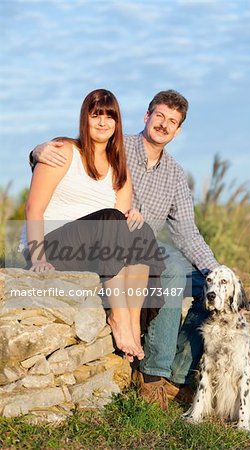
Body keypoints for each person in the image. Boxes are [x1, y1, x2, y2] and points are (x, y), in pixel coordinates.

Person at [30, 89, 220, 410]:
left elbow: (187, 232)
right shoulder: (120, 148)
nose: (163, 124)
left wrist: (217, 272)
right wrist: (36, 151)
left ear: (178, 130)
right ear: (146, 117)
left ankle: (176, 377)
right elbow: (63, 167)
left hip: (136, 243)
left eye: (172, 121)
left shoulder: (174, 174)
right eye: (159, 116)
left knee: (208, 288)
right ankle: (151, 376)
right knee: (170, 266)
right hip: (96, 240)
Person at [24, 88, 166, 363]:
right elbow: (34, 208)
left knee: (140, 230)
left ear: (117, 123)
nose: (103, 123)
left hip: (95, 250)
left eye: (109, 117)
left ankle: (133, 325)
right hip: (56, 244)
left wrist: (133, 217)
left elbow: (123, 229)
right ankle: (118, 315)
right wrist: (38, 257)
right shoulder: (63, 151)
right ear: (85, 119)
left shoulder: (119, 169)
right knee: (111, 219)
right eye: (96, 115)